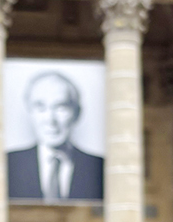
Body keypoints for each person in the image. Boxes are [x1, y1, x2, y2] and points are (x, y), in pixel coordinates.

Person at [6, 71, 103, 201]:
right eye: (40, 107)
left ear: (77, 113)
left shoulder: (100, 168)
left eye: (61, 107)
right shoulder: (7, 164)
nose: (50, 120)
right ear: (30, 113)